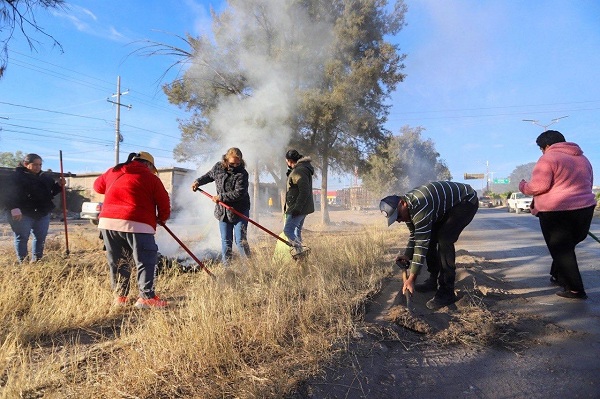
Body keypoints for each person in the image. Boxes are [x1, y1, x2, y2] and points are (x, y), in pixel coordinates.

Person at [519, 130, 595, 300]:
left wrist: (523, 186)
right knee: (566, 247)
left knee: (562, 250)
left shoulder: (548, 158)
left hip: (556, 211)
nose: (542, 152)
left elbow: (538, 186)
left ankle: (575, 290)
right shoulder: (583, 159)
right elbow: (589, 182)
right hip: (585, 209)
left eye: (541, 148)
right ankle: (558, 275)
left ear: (546, 146)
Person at [380, 181, 479, 310]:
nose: (398, 220)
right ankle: (433, 280)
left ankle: (447, 291)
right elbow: (415, 234)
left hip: (466, 201)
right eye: (395, 219)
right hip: (448, 207)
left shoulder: (420, 205)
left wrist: (412, 278)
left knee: (444, 239)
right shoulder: (408, 210)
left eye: (398, 215)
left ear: (402, 203)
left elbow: (421, 245)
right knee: (431, 237)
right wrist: (407, 255)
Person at [94, 152, 171, 309]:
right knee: (145, 260)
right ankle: (146, 298)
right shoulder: (151, 178)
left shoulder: (113, 171)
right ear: (148, 165)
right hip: (138, 223)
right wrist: (162, 219)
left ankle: (120, 298)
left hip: (108, 223)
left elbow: (97, 187)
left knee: (119, 261)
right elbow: (164, 202)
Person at [191, 147, 251, 265]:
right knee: (226, 241)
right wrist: (198, 181)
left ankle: (250, 267)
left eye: (238, 163)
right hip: (223, 211)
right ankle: (227, 268)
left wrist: (221, 197)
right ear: (226, 159)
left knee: (240, 240)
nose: (235, 166)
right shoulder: (218, 167)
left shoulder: (242, 173)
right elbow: (209, 176)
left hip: (240, 211)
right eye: (232, 163)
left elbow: (239, 193)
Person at [4, 153, 65, 263]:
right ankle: (24, 263)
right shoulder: (15, 177)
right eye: (35, 164)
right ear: (26, 164)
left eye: (40, 165)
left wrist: (59, 186)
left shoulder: (45, 178)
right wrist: (13, 208)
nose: (38, 167)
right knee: (22, 238)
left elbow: (51, 192)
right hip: (22, 212)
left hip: (42, 212)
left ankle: (37, 261)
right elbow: (6, 194)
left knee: (40, 238)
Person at [283, 149, 314, 254]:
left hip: (298, 208)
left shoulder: (299, 171)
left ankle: (299, 252)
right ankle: (300, 253)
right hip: (300, 207)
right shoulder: (300, 169)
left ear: (290, 160)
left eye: (287, 161)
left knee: (288, 231)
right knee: (296, 231)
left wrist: (297, 208)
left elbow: (304, 191)